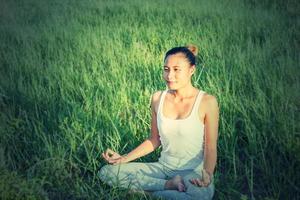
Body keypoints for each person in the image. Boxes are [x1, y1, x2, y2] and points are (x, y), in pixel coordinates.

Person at [99, 44, 219, 200]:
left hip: (193, 172)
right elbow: (154, 140)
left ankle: (148, 194)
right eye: (166, 69)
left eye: (177, 70)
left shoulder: (207, 102)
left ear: (192, 70)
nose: (169, 76)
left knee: (199, 196)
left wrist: (207, 175)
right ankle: (168, 186)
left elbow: (210, 147)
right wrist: (124, 158)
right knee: (107, 172)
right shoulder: (157, 98)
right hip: (163, 168)